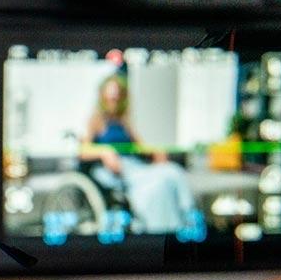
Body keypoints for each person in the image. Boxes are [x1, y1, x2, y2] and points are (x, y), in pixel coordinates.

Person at [80, 74, 201, 236]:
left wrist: (155, 152)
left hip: (133, 165)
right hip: (112, 171)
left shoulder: (124, 121)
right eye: (111, 93)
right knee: (156, 186)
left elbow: (140, 146)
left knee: (172, 172)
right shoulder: (96, 120)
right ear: (103, 95)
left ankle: (187, 218)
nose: (114, 97)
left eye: (117, 93)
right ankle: (160, 231)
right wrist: (104, 152)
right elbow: (83, 151)